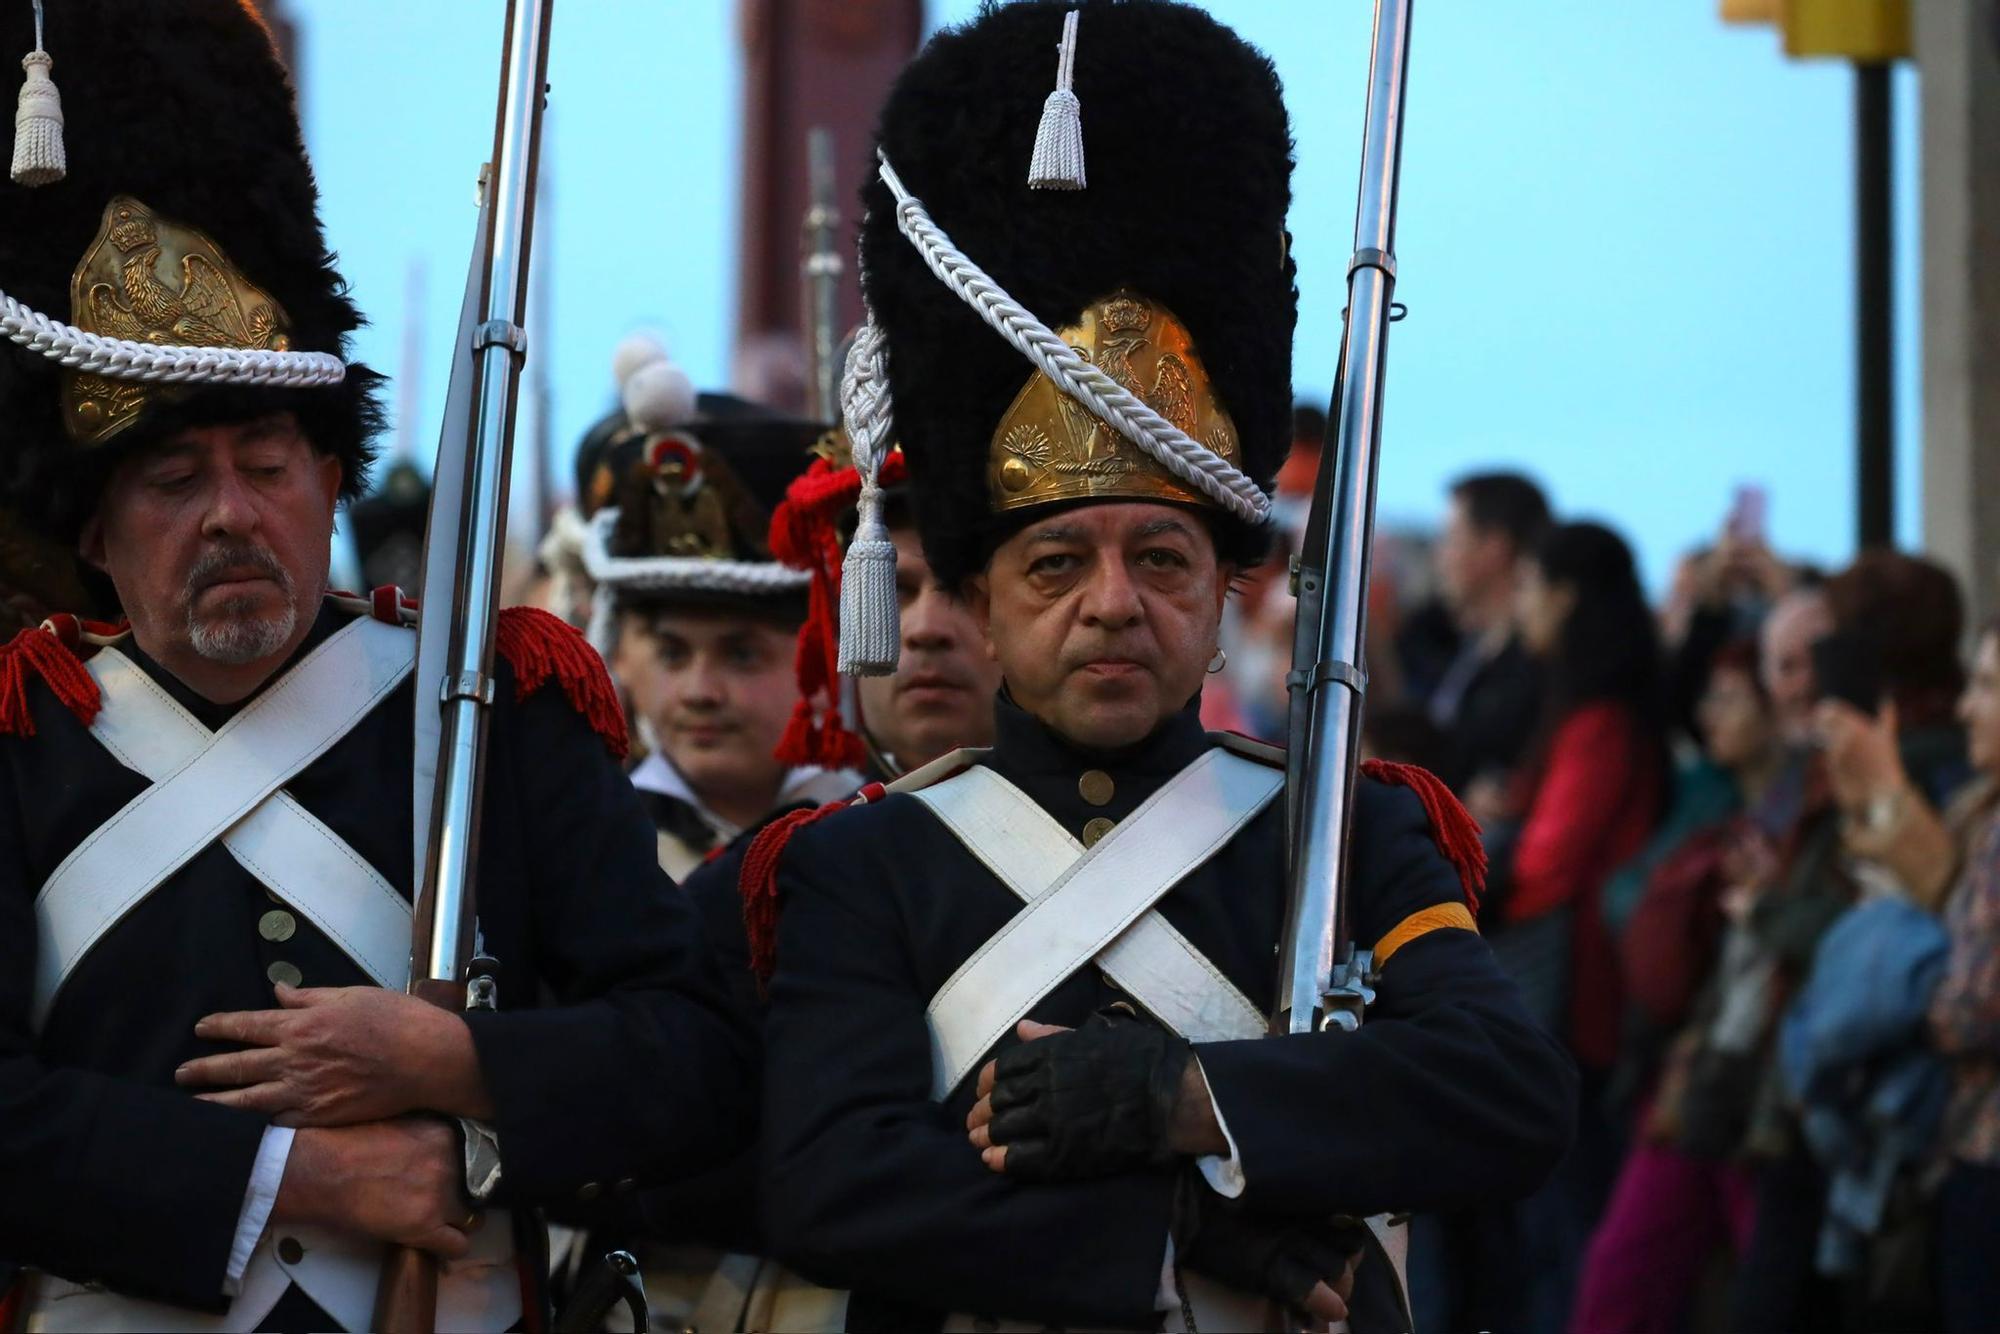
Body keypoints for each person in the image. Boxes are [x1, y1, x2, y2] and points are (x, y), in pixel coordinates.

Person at [745, 4, 1577, 1329]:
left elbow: (1505, 1090)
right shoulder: (866, 863)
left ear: (1225, 583)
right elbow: (833, 1178)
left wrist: (1181, 1095)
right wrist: (1187, 1223)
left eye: (1165, 559)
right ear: (975, 593)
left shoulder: (1345, 831)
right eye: (1057, 563)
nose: (1116, 605)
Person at [0, 5, 754, 1328]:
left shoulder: (499, 704)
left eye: (269, 461)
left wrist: (462, 1062)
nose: (230, 510)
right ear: (93, 535)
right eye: (174, 476)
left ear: (333, 474)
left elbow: (692, 1055)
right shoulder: (23, 736)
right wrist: (307, 1174)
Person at [577, 344, 864, 877]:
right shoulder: (579, 846)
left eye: (742, 654)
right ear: (623, 654)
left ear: (826, 658)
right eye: (672, 652)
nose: (699, 692)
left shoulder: (883, 831)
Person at [1567, 641, 1787, 1334]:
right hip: (1696, 1076)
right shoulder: (1709, 804)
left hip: (1756, 1093)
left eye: (1731, 696)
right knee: (1622, 1279)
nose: (1708, 711)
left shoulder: (1793, 820)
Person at [1486, 520, 1668, 1334]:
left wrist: (1482, 870)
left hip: (1577, 998)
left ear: (1564, 597)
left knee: (1563, 1226)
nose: (1521, 604)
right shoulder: (1592, 708)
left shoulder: (1597, 720)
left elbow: (1548, 869)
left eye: (1530, 586)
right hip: (1579, 996)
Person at [1428, 471, 1551, 797]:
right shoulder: (1473, 648)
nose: (1440, 555)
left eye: (1451, 538)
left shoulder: (1535, 668)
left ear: (1494, 548)